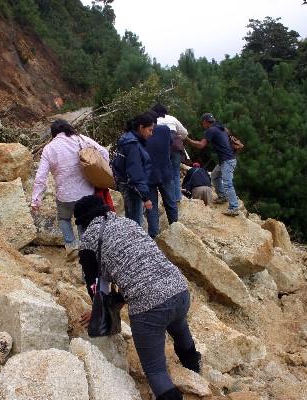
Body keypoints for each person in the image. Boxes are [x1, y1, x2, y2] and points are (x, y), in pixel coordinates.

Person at [74, 195, 201, 400]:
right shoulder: (128, 223)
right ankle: (195, 372)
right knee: (179, 327)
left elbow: (96, 286)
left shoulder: (89, 241)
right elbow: (137, 268)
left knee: (155, 370)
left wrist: (100, 311)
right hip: (179, 289)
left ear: (83, 223)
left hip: (150, 307)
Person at [31, 119, 109, 260]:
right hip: (86, 193)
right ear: (68, 128)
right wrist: (98, 172)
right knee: (83, 221)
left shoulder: (49, 148)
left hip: (64, 196)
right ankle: (87, 250)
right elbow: (104, 153)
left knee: (63, 219)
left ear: (53, 133)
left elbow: (40, 177)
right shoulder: (81, 139)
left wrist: (36, 200)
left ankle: (71, 246)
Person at [185, 113, 240, 216]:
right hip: (227, 159)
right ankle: (222, 196)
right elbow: (229, 135)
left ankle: (234, 207)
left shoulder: (210, 130)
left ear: (205, 122)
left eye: (203, 123)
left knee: (227, 183)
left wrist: (188, 140)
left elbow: (201, 145)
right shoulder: (221, 128)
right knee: (214, 176)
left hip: (227, 161)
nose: (203, 125)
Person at [113, 113, 155, 226]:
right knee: (135, 224)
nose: (151, 134)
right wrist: (145, 198)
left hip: (126, 186)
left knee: (131, 221)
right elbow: (135, 173)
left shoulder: (126, 139)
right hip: (132, 189)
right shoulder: (132, 145)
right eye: (150, 130)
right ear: (141, 127)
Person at [145, 121, 178, 238]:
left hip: (149, 175)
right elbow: (170, 144)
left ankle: (154, 235)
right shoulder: (165, 130)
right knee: (171, 203)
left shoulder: (142, 133)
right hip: (165, 172)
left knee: (151, 207)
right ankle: (176, 230)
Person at [151, 103, 189, 202]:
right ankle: (177, 197)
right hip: (176, 147)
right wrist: (179, 136)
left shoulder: (154, 121)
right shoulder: (172, 118)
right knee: (175, 173)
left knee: (165, 173)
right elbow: (185, 133)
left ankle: (168, 198)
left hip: (162, 149)